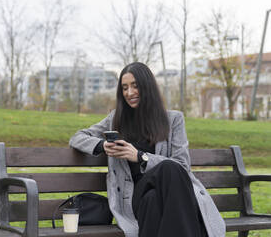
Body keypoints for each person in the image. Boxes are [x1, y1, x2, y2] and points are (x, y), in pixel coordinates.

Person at [69, 62, 225, 237]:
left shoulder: (173, 120)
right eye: (125, 88)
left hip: (164, 194)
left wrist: (140, 157)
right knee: (168, 168)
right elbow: (77, 137)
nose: (129, 93)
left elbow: (182, 165)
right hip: (133, 196)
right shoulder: (115, 119)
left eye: (135, 86)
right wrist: (102, 145)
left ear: (147, 86)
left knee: (155, 196)